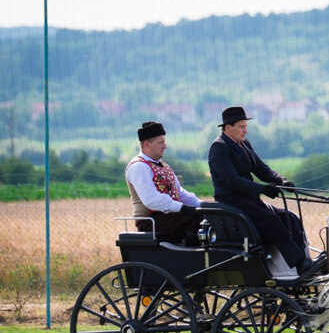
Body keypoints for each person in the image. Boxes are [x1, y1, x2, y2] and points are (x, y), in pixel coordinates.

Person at [207, 106, 317, 273]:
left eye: (246, 126)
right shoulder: (219, 147)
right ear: (228, 127)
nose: (245, 131)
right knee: (271, 220)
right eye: (241, 127)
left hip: (249, 199)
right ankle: (299, 263)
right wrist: (262, 189)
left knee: (290, 217)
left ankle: (305, 259)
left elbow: (262, 169)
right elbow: (232, 181)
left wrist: (282, 181)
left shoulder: (244, 144)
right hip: (232, 200)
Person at [125, 121, 202, 243]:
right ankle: (193, 251)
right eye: (161, 142)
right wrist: (182, 208)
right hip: (150, 222)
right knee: (196, 220)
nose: (165, 146)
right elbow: (151, 200)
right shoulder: (139, 166)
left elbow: (180, 193)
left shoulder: (163, 165)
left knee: (206, 217)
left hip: (170, 217)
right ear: (147, 144)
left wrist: (202, 205)